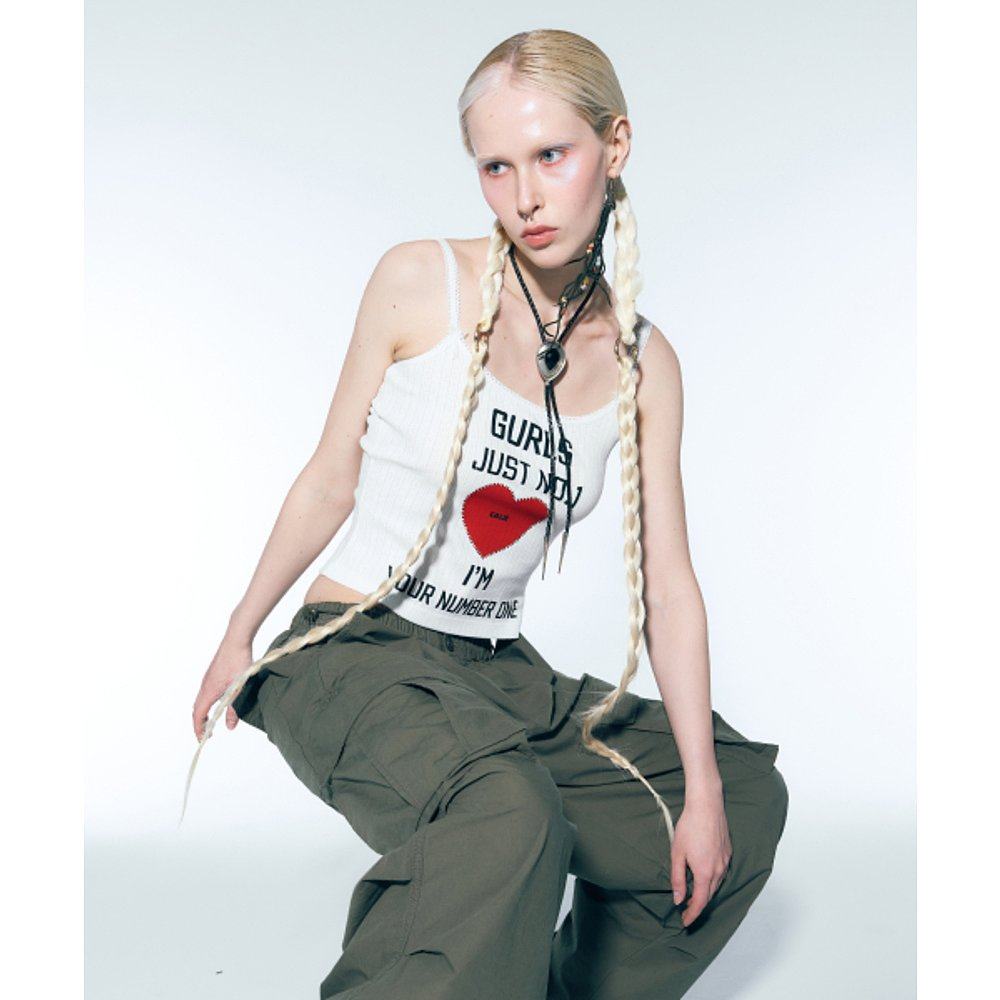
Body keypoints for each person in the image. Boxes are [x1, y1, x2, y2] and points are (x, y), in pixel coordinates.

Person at [187, 28, 789, 1000]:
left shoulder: (644, 365)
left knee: (743, 793)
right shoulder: (420, 281)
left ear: (615, 145)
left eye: (551, 155)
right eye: (496, 166)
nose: (524, 196)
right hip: (353, 650)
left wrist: (705, 793)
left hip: (499, 674)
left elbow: (668, 587)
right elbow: (331, 475)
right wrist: (239, 631)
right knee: (507, 812)